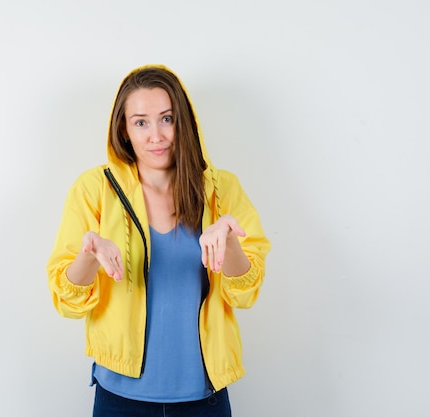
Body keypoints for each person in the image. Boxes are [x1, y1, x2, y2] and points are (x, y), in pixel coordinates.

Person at [47, 64, 271, 417]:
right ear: (123, 129)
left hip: (205, 397)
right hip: (119, 398)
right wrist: (89, 254)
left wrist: (229, 243)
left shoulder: (221, 189)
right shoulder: (94, 189)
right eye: (141, 122)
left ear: (183, 121)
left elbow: (245, 292)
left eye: (167, 119)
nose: (156, 135)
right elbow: (66, 300)